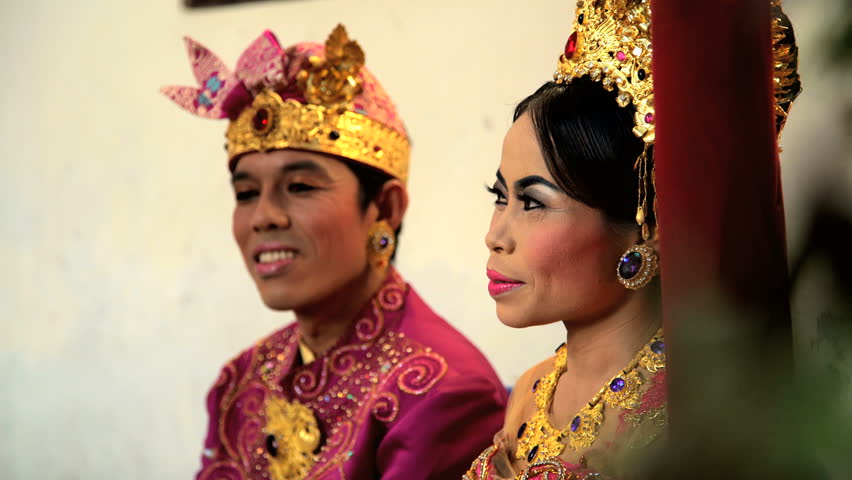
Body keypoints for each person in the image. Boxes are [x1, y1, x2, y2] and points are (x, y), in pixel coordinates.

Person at [464, 0, 801, 478]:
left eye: (533, 203)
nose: (494, 237)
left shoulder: (689, 427)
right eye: (500, 197)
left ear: (652, 227)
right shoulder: (532, 390)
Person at [162, 24, 507, 480]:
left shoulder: (441, 391)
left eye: (299, 186)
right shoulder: (240, 382)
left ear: (384, 207)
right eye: (246, 193)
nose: (263, 216)